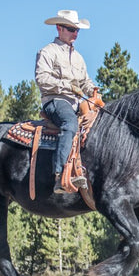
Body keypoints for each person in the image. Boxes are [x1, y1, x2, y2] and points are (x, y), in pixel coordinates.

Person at [35, 10, 100, 193]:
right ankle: (60, 175)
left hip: (77, 103)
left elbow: (85, 82)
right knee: (70, 124)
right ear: (59, 28)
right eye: (71, 29)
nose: (75, 33)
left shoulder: (78, 58)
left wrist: (94, 92)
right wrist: (68, 86)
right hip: (56, 100)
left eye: (77, 30)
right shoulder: (48, 52)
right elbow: (42, 79)